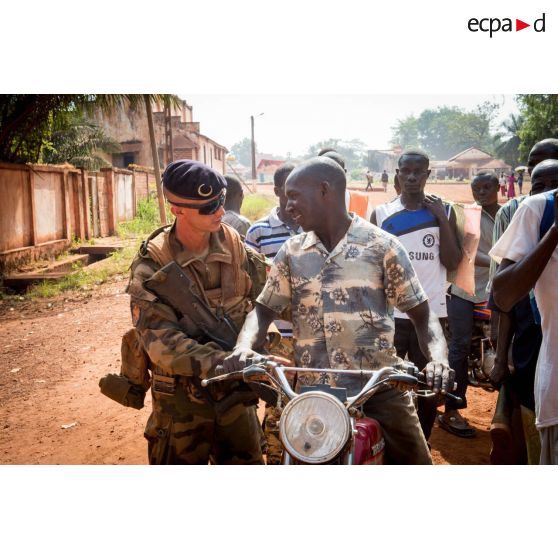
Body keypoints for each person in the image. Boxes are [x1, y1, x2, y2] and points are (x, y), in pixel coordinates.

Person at [223, 157, 455, 465]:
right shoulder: (292, 252)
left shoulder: (382, 246)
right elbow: (262, 311)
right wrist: (242, 347)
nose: (288, 205)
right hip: (312, 394)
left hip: (380, 391)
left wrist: (439, 360)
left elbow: (424, 317)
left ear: (324, 191)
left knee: (416, 465)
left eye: (295, 196)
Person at [125, 160, 265, 465]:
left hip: (237, 395)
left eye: (221, 202)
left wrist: (266, 357)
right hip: (180, 402)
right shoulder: (152, 264)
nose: (219, 212)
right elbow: (161, 345)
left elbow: (262, 308)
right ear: (178, 210)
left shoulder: (237, 247)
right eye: (208, 207)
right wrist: (227, 361)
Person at [371, 149, 461, 441]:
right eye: (405, 170)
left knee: (429, 384)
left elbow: (452, 261)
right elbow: (373, 266)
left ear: (427, 174)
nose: (411, 176)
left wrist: (440, 220)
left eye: (418, 171)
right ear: (397, 173)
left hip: (431, 314)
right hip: (392, 315)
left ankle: (422, 442)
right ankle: (388, 442)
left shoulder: (444, 211)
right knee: (386, 384)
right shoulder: (382, 213)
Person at [487, 139, 558, 464]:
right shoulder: (525, 212)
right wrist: (500, 354)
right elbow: (500, 293)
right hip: (529, 328)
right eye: (537, 176)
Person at [245, 162, 301, 464]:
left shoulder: (318, 226)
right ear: (277, 190)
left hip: (314, 340)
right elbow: (249, 285)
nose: (294, 197)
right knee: (277, 408)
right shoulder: (258, 232)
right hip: (277, 338)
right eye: (287, 189)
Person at [440, 173, 501, 438]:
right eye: (477, 187)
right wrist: (504, 263)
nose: (482, 191)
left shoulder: (510, 212)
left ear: (499, 187)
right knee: (459, 346)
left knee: (507, 346)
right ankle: (452, 408)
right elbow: (465, 254)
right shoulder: (466, 215)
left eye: (487, 186)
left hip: (500, 288)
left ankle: (507, 413)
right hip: (464, 288)